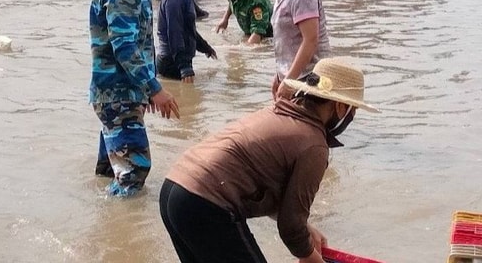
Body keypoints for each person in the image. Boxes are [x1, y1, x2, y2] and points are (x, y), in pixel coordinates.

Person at [160, 57, 379, 263]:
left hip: (174, 190)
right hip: (206, 204)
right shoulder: (314, 145)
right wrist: (309, 255)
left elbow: (267, 188)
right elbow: (291, 228)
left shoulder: (278, 111)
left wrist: (305, 230)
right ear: (341, 107)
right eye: (354, 110)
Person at [89, 0, 180, 197]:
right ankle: (117, 238)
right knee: (134, 172)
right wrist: (154, 88)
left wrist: (143, 89)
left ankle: (98, 221)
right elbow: (125, 47)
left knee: (108, 171)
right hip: (118, 95)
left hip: (121, 92)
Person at [255, 0, 331, 99]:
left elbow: (310, 40)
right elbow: (286, 41)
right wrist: (280, 76)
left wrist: (289, 80)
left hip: (310, 77)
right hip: (294, 75)